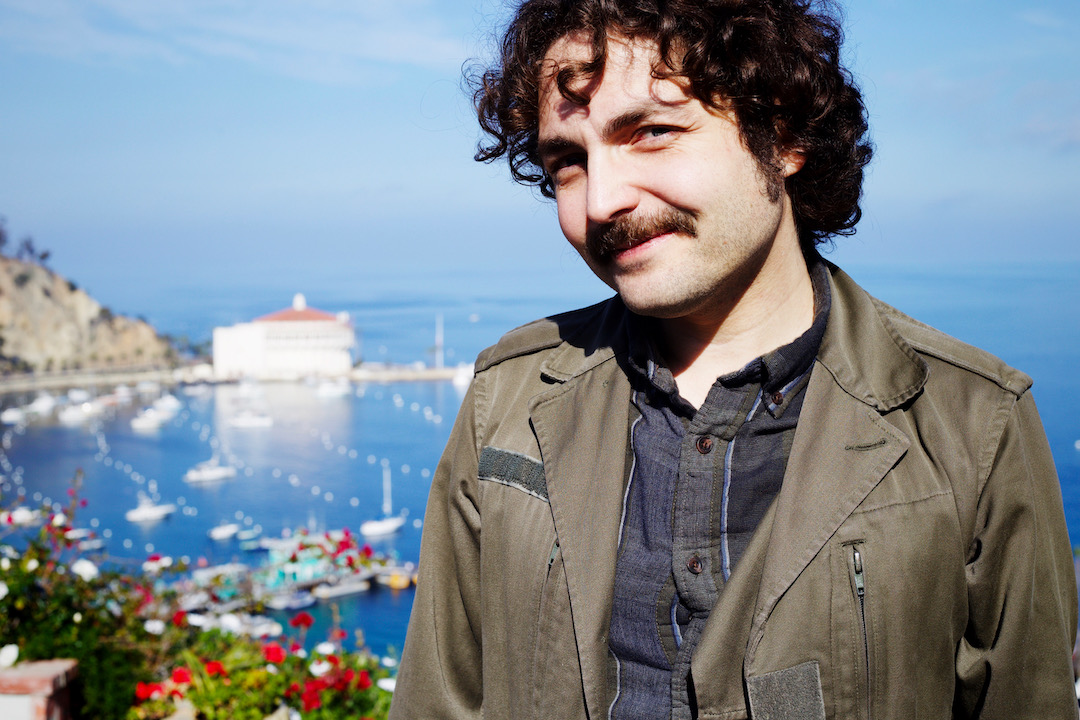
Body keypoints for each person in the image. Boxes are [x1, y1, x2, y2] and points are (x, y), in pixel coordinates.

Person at [389, 0, 1079, 718]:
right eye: (569, 161)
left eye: (652, 132)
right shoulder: (510, 396)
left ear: (780, 133)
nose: (602, 200)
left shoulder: (974, 423)